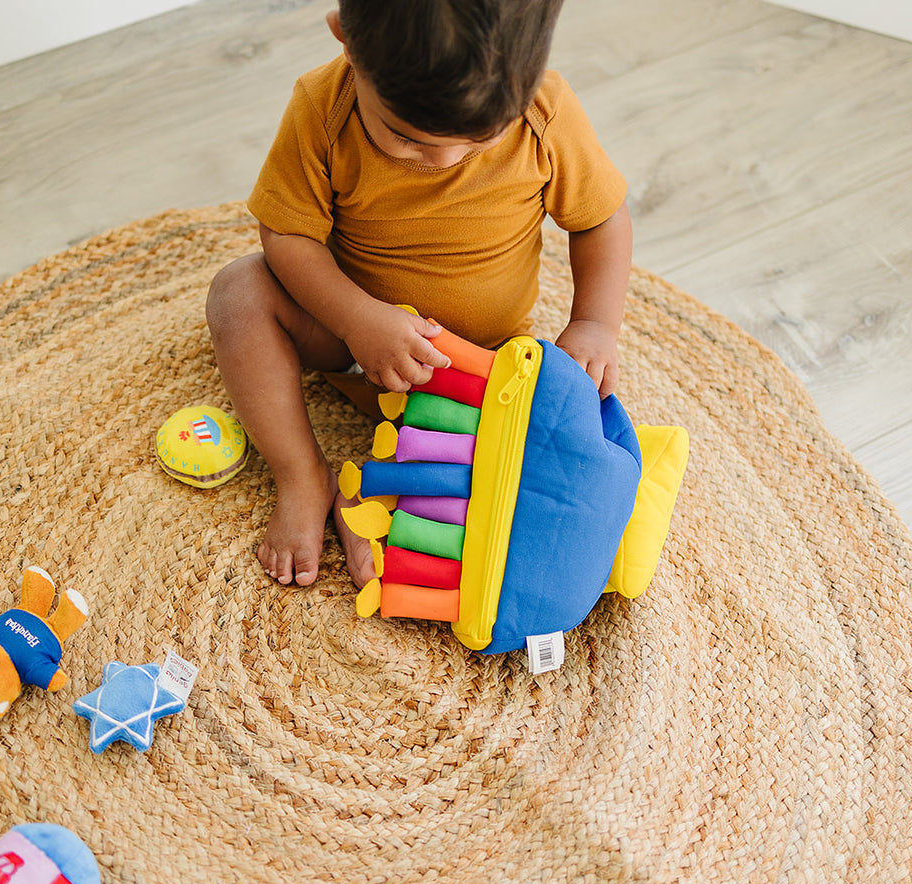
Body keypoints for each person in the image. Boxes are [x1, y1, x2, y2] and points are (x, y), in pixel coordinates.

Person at [205, 0, 632, 589]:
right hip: (348, 342)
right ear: (345, 43)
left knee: (545, 453)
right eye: (406, 140)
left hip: (479, 366)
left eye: (480, 141)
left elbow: (600, 220)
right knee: (238, 294)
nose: (444, 160)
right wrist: (357, 318)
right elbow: (287, 234)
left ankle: (382, 493)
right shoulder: (322, 109)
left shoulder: (546, 113)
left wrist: (594, 323)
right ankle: (305, 476)